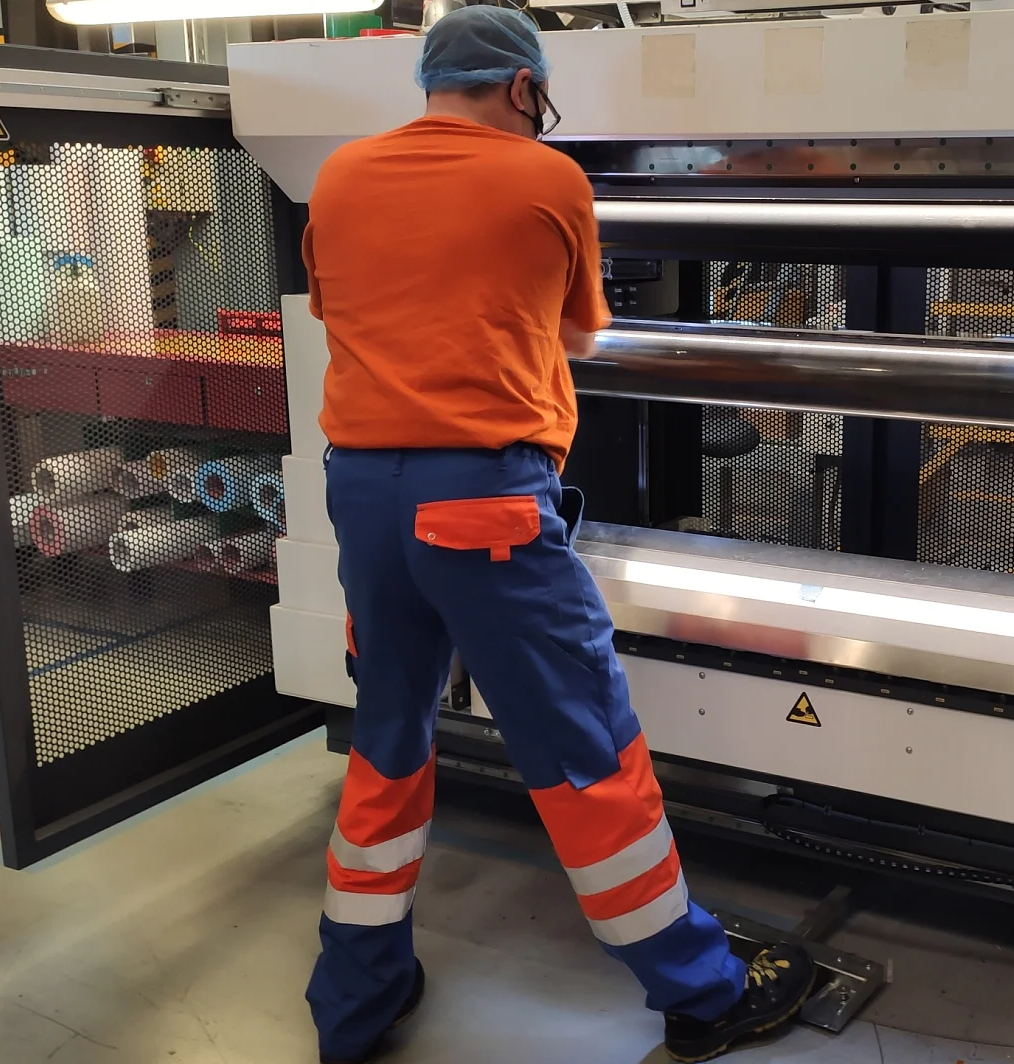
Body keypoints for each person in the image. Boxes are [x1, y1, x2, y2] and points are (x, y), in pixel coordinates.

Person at [297, 7, 814, 1063]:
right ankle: (704, 989)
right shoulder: (550, 180)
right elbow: (584, 331)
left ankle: (354, 999)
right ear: (525, 89)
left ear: (431, 81)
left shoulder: (340, 175)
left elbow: (341, 311)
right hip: (484, 504)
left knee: (387, 742)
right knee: (584, 752)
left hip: (359, 496)